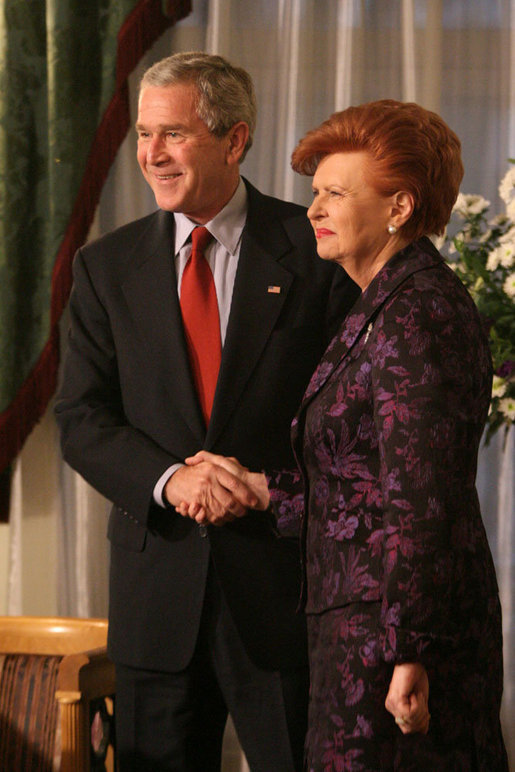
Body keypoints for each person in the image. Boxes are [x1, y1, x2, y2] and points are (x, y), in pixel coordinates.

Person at [182, 100, 509, 771]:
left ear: (398, 206)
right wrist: (263, 489)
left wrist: (408, 648)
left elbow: (423, 503)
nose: (312, 210)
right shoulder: (384, 302)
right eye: (313, 192)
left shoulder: (416, 312)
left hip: (390, 646)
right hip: (360, 633)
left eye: (334, 193)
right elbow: (364, 491)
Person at [55, 52, 359, 771]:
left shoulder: (316, 250)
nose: (151, 155)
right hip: (157, 597)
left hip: (284, 595)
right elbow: (81, 417)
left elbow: (353, 417)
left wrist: (256, 481)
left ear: (234, 139)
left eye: (173, 134)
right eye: (142, 135)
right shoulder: (106, 267)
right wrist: (171, 479)